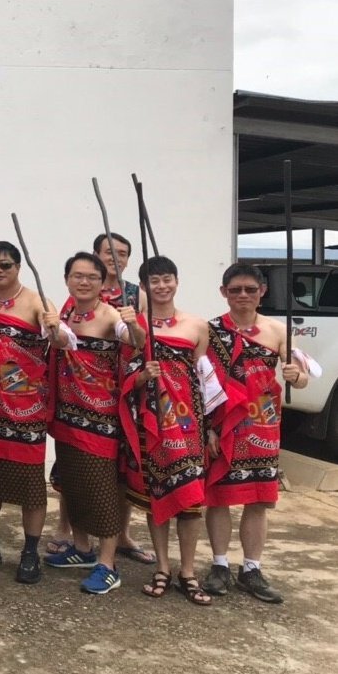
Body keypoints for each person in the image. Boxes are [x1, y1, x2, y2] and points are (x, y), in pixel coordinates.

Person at [202, 263, 318, 603]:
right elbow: (201, 382)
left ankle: (251, 569)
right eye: (235, 289)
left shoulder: (279, 331)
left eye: (250, 289)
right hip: (223, 423)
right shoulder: (210, 331)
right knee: (219, 497)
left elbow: (304, 377)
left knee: (258, 499)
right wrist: (208, 428)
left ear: (262, 292)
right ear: (223, 292)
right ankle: (219, 565)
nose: (243, 295)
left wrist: (297, 377)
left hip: (262, 424)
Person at [121, 256, 223, 606]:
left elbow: (206, 380)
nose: (162, 286)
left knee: (191, 500)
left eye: (167, 279)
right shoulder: (134, 327)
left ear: (177, 282)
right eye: (154, 281)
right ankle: (162, 567)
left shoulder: (197, 326)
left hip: (189, 424)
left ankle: (188, 571)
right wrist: (142, 377)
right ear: (143, 287)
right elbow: (125, 376)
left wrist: (211, 427)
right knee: (157, 496)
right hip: (150, 423)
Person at [0, 241, 66, 585]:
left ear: (18, 266)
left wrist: (56, 328)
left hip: (27, 407)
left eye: (5, 264)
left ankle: (29, 553)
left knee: (31, 489)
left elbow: (60, 340)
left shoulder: (38, 302)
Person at [45, 253, 142, 594]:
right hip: (67, 414)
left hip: (101, 418)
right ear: (67, 279)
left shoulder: (111, 315)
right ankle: (81, 548)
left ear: (102, 282)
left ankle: (108, 564)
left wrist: (133, 324)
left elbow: (136, 342)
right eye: (77, 275)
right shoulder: (66, 313)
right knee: (72, 485)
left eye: (91, 277)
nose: (83, 282)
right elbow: (58, 344)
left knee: (102, 491)